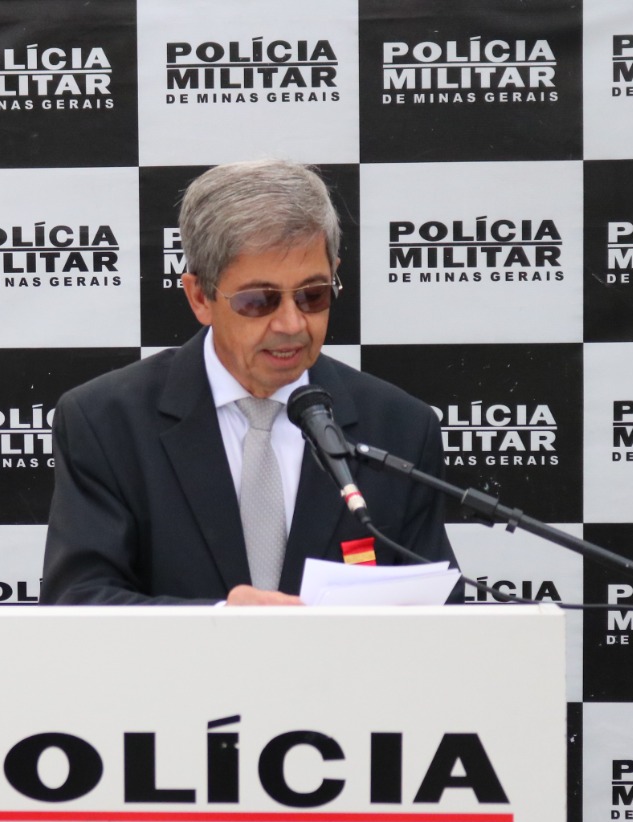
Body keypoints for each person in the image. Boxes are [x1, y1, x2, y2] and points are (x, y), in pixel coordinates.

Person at [41, 159, 455, 605]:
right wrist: (224, 620)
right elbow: (78, 600)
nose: (291, 323)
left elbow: (439, 614)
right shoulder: (106, 423)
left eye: (312, 294)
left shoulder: (400, 428)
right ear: (199, 297)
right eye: (259, 300)